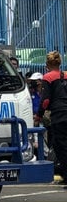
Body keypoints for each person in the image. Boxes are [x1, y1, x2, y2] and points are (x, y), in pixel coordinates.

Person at [41, 51, 67, 180]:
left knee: (60, 146)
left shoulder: (48, 77)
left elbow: (45, 101)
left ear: (47, 64)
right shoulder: (66, 75)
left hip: (59, 115)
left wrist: (38, 116)